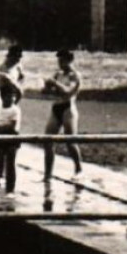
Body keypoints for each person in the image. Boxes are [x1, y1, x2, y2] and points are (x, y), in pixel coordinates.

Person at [42, 49, 85, 181]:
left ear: (70, 60)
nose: (60, 63)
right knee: (48, 140)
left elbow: (68, 93)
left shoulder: (75, 75)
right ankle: (48, 174)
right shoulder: (58, 74)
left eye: (63, 60)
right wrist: (49, 86)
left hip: (68, 109)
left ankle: (79, 169)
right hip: (56, 107)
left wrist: (55, 85)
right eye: (59, 60)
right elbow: (44, 91)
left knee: (70, 141)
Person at [0, 83, 22, 195]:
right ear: (2, 96)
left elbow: (12, 125)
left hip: (12, 138)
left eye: (13, 96)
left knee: (10, 164)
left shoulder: (15, 110)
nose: (12, 98)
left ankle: (10, 189)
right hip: (0, 138)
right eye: (9, 96)